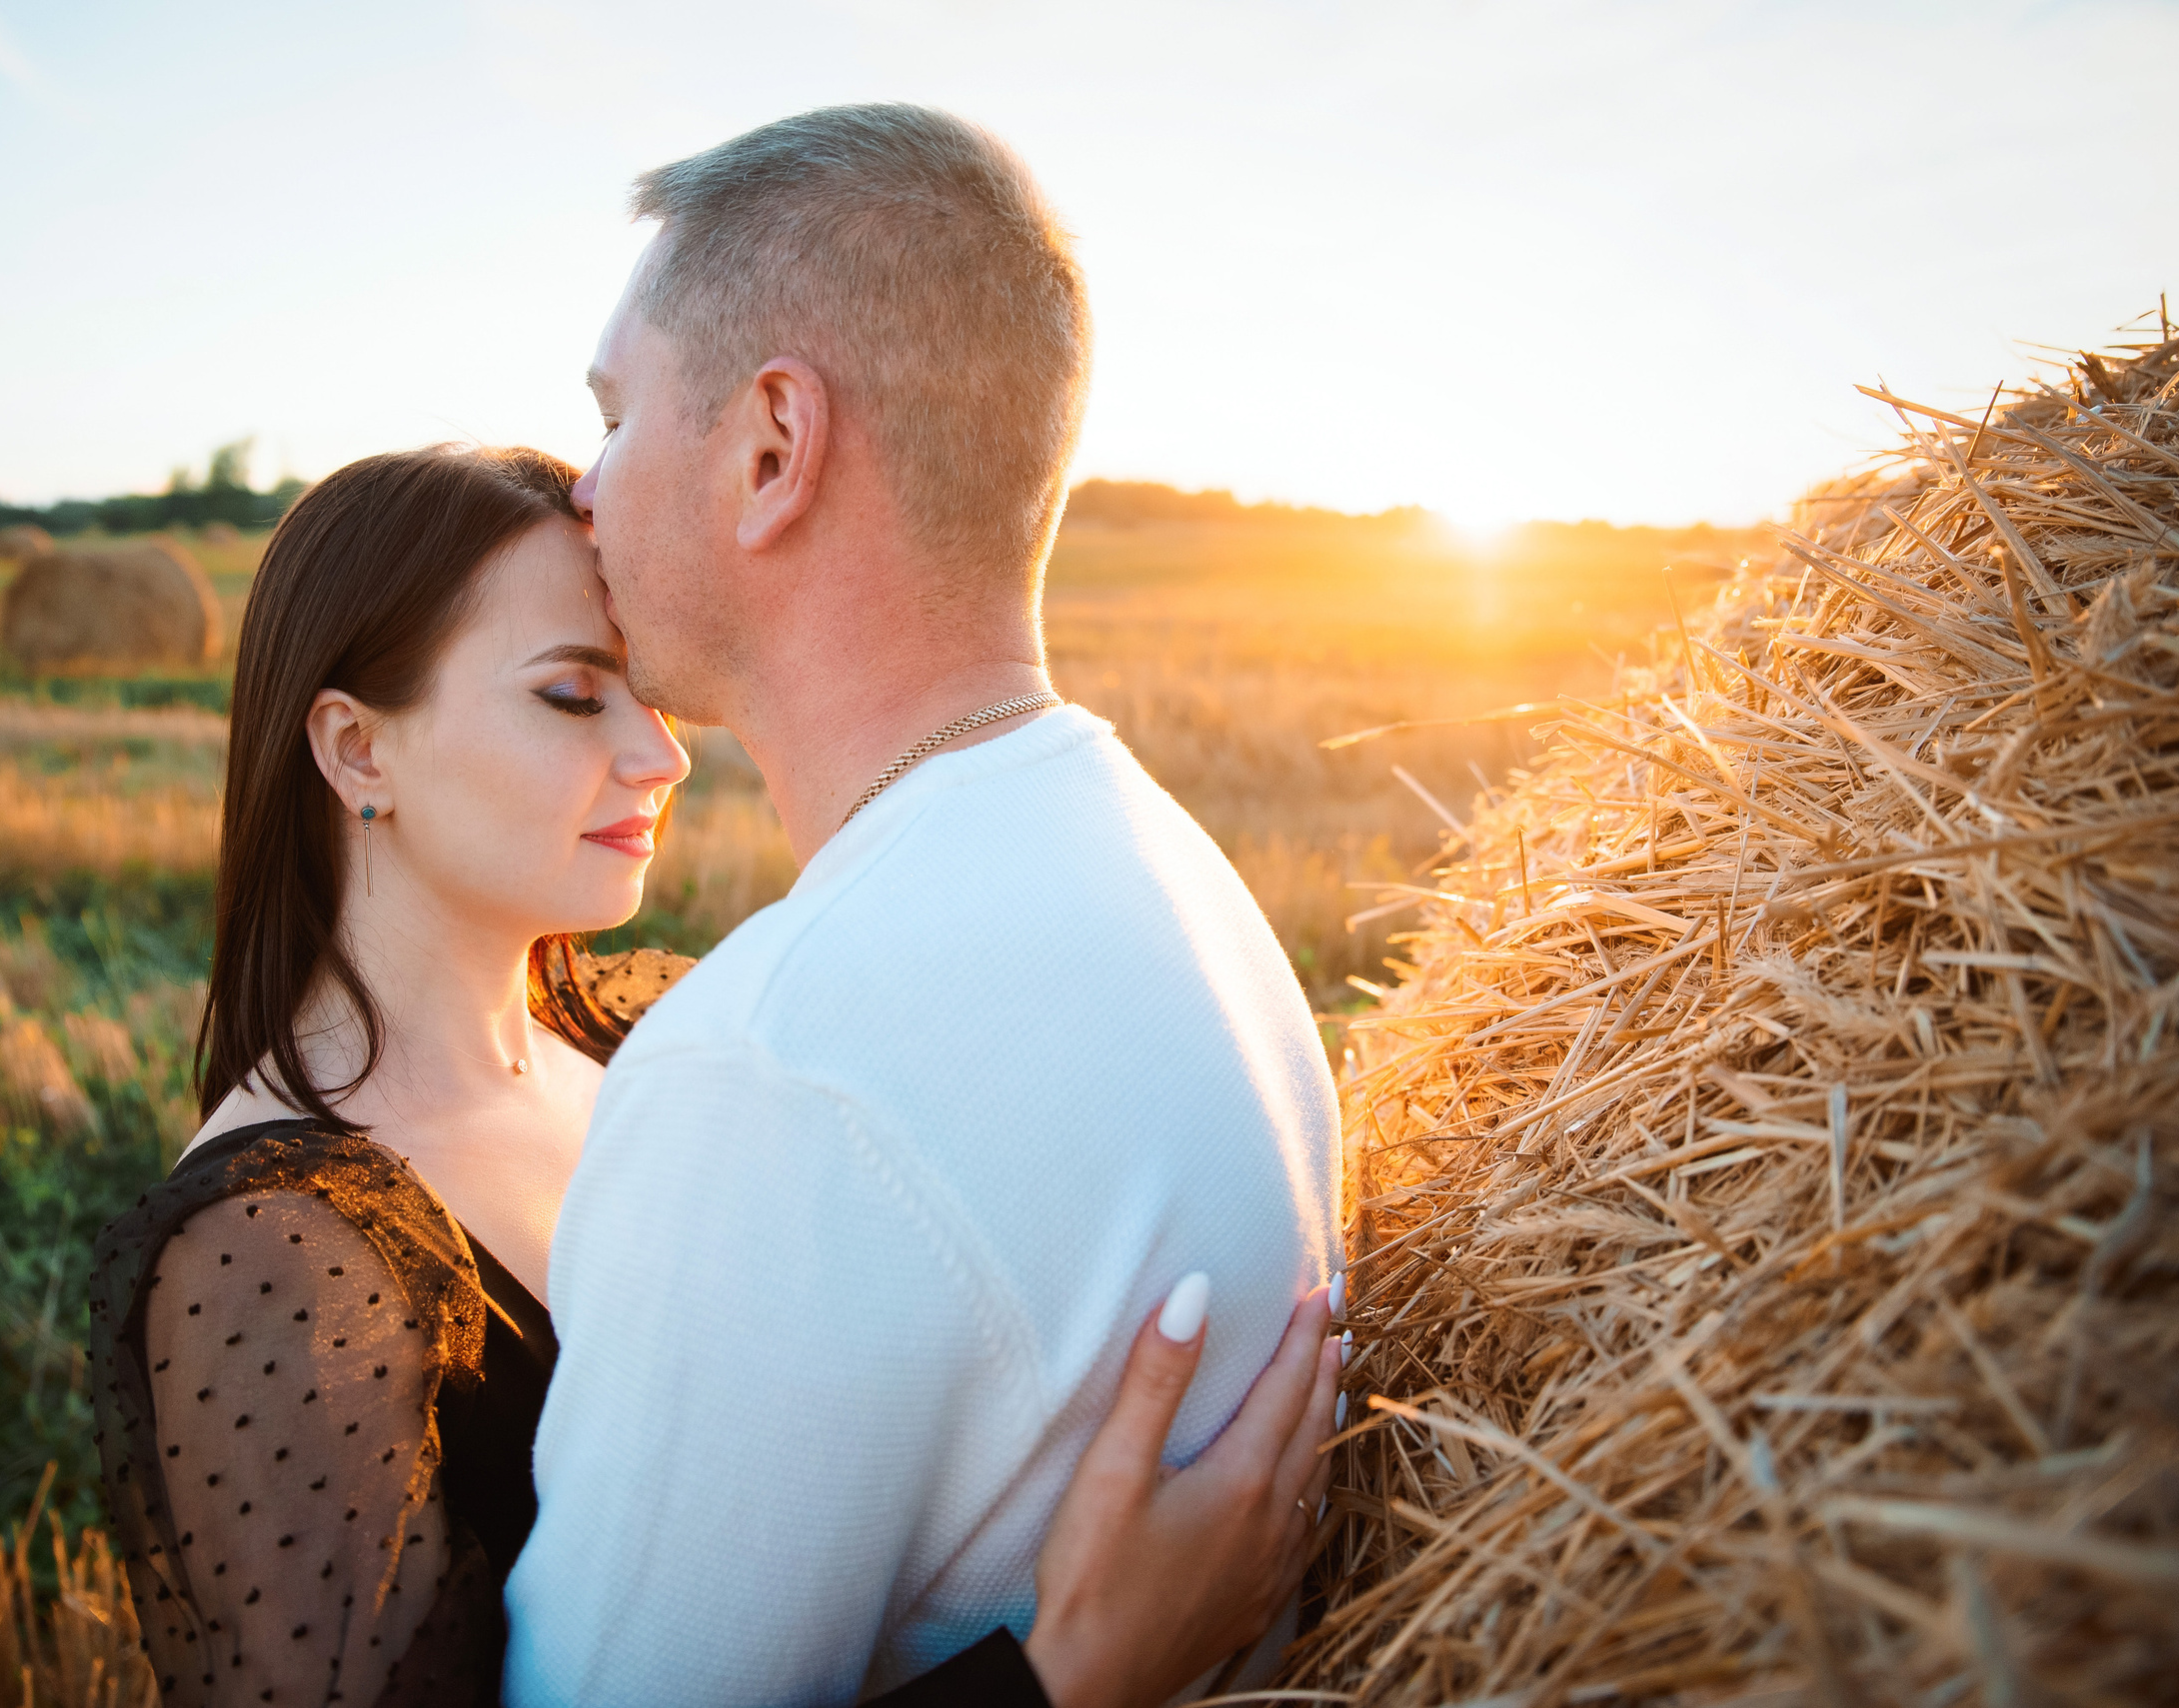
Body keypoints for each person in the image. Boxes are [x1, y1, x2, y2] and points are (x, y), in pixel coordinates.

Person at [87, 445, 1341, 1708]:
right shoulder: (271, 1258)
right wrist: (1067, 1678)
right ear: (357, 751)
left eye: (648, 691)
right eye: (576, 696)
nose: (661, 753)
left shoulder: (672, 1033)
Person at [505, 106, 1342, 1705]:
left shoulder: (774, 1076)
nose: (583, 492)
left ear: (771, 449)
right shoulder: (1171, 866)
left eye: (614, 416)